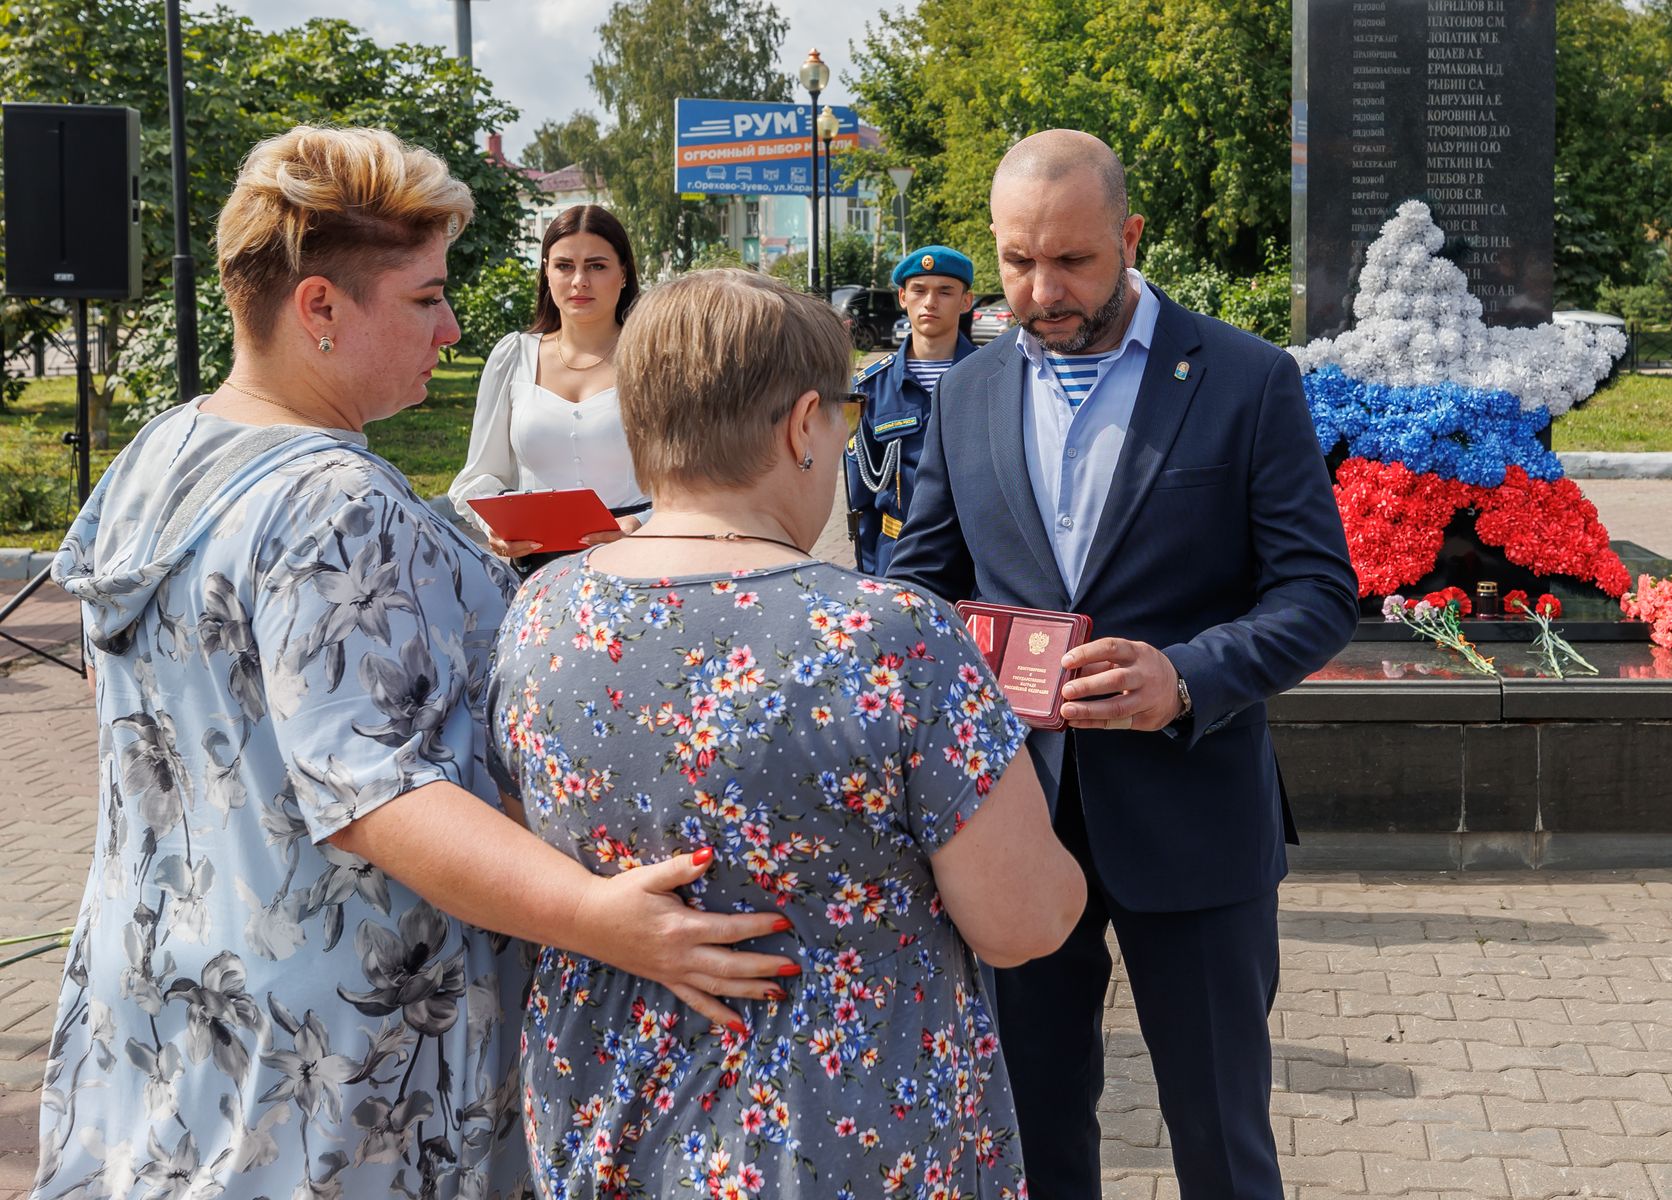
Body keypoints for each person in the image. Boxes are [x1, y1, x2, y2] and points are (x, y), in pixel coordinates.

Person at [37, 127, 792, 1200]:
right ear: (320, 309)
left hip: (172, 982)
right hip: (340, 1047)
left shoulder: (163, 450)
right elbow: (378, 797)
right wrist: (606, 922)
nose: (451, 328)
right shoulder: (333, 503)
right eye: (427, 297)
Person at [486, 268, 1086, 1198]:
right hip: (838, 1134)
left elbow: (521, 840)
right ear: (805, 425)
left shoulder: (540, 612)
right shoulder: (889, 636)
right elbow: (1024, 922)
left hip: (602, 1114)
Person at [887, 130, 1360, 1200]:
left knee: (1222, 1140)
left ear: (1132, 236)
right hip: (1011, 822)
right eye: (1017, 262)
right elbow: (918, 587)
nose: (1041, 291)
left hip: (1194, 823)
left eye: (1073, 261)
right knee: (1031, 1133)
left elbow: (1319, 593)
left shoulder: (1246, 379)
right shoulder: (967, 391)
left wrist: (1185, 677)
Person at [451, 204, 653, 571]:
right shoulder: (514, 356)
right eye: (564, 266)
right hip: (536, 572)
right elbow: (478, 476)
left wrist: (640, 524)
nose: (580, 281)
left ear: (623, 273)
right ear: (546, 272)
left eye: (597, 266)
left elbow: (698, 481)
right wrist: (495, 527)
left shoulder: (655, 359)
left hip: (636, 563)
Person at [844, 245, 979, 573]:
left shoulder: (993, 378)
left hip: (974, 558)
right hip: (898, 556)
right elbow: (861, 500)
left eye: (945, 291)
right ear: (903, 297)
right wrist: (872, 576)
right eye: (919, 290)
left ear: (966, 301)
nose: (930, 302)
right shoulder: (870, 389)